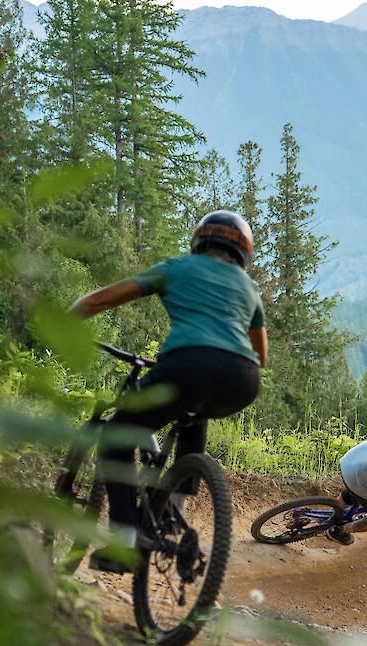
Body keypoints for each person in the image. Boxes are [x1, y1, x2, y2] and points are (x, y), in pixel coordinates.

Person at [69, 210, 267, 573]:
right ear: (243, 254)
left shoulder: (177, 268)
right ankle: (174, 510)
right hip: (243, 379)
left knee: (116, 435)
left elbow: (103, 299)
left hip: (186, 366)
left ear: (198, 243)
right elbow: (261, 355)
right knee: (195, 413)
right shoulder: (248, 288)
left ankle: (123, 538)